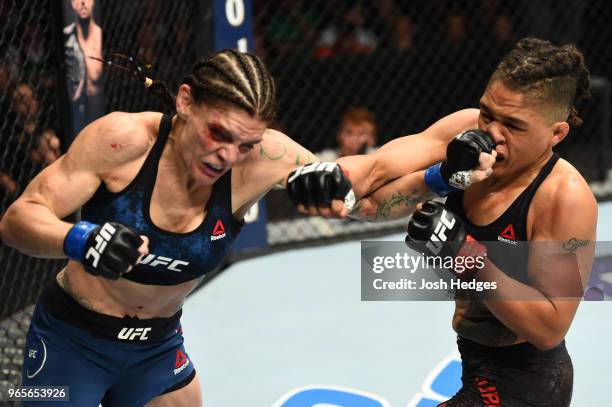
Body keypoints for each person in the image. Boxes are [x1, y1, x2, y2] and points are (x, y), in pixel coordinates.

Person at [0, 46, 497, 405]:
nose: (227, 155)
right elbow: (18, 219)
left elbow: (366, 200)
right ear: (185, 102)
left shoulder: (263, 157)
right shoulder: (122, 141)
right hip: (70, 342)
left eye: (244, 143)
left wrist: (442, 176)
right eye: (218, 134)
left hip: (157, 347)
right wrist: (77, 238)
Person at [349, 38, 596, 406]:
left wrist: (463, 253)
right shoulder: (468, 134)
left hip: (526, 384)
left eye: (513, 124)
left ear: (556, 133)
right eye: (487, 113)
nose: (492, 133)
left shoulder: (564, 197)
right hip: (475, 362)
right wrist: (437, 177)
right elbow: (369, 191)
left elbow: (550, 327)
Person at [64, 0, 104, 134]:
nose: (82, 3)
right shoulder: (67, 37)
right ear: (72, 4)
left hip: (101, 108)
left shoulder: (103, 34)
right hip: (78, 112)